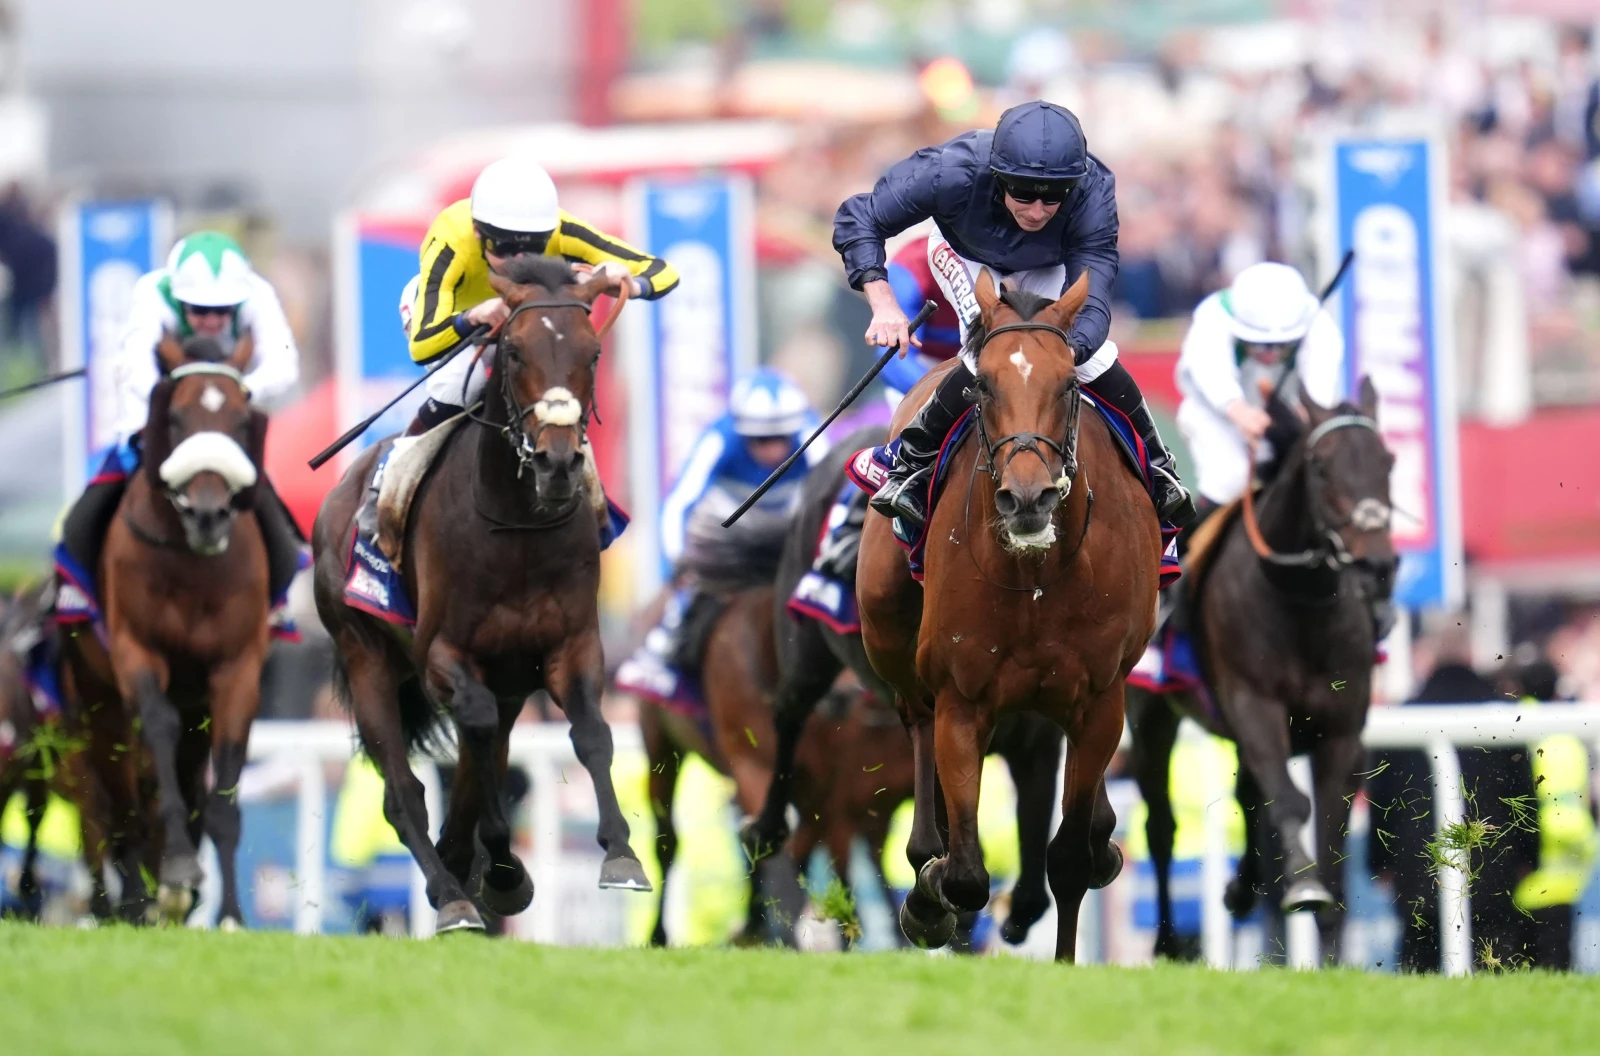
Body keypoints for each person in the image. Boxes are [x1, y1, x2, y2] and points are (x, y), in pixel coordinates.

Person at [833, 100, 1195, 530]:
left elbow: (1094, 293)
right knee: (992, 348)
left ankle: (1159, 467)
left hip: (1047, 265)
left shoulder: (1092, 190)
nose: (1037, 211)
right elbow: (860, 217)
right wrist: (883, 302)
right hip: (964, 254)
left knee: (1095, 359)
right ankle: (906, 463)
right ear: (998, 176)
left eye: (1053, 197)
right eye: (1023, 193)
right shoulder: (951, 171)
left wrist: (1067, 351)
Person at [57, 231, 304, 631]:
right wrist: (181, 399)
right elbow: (137, 368)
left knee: (275, 520)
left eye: (223, 311)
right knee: (85, 515)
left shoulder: (257, 294)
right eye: (200, 310)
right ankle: (77, 593)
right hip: (159, 414)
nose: (212, 322)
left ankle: (275, 603)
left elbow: (284, 366)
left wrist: (234, 391)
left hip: (224, 418)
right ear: (179, 298)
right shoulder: (152, 292)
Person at [403, 156, 680, 433]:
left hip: (525, 316)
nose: (518, 261)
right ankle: (404, 453)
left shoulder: (561, 229)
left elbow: (663, 272)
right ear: (477, 231)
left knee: (561, 371)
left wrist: (633, 286)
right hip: (450, 315)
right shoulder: (451, 237)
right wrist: (472, 317)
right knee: (461, 383)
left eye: (533, 249)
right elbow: (423, 344)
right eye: (504, 248)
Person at [617, 370, 821, 705]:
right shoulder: (718, 437)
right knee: (694, 585)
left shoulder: (812, 433)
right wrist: (676, 562)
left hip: (787, 530)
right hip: (726, 536)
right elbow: (678, 503)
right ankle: (660, 653)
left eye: (781, 438)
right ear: (741, 432)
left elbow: (836, 490)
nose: (772, 451)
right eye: (760, 441)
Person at [1366, 625, 1539, 972]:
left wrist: (1379, 860)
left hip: (1418, 871)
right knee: (1494, 969)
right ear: (1471, 654)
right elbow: (1524, 796)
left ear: (1431, 657)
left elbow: (1382, 799)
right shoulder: (1504, 715)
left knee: (1420, 971)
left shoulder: (1401, 717)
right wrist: (1529, 855)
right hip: (1493, 871)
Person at [1174, 261, 1344, 527]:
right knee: (1231, 479)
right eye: (1260, 344)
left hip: (1282, 415)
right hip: (1213, 414)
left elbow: (1317, 397)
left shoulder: (1320, 326)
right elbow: (1212, 374)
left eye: (1281, 345)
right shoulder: (1213, 316)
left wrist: (1296, 425)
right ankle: (1183, 545)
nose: (1271, 354)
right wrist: (1240, 412)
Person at [1511, 654, 1597, 970]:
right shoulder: (1570, 731)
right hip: (1571, 856)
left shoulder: (1511, 725)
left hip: (1528, 855)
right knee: (1558, 955)